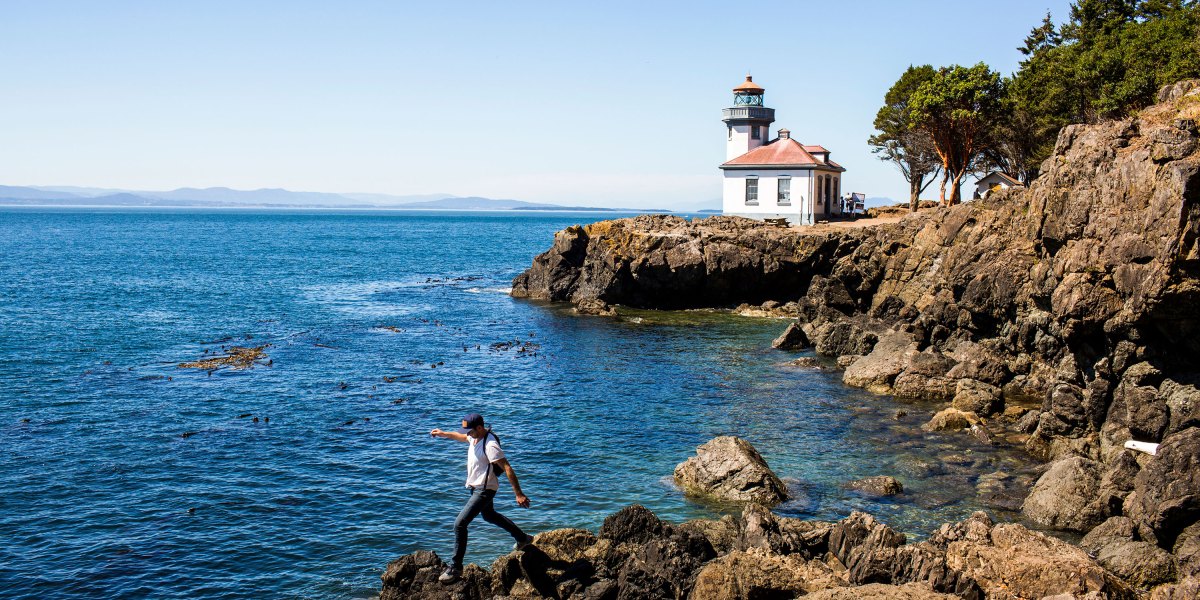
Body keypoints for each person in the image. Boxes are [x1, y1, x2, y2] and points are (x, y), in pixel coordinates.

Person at [429, 412, 533, 583]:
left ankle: (456, 568)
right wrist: (443, 434)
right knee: (489, 516)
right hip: (475, 487)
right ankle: (523, 538)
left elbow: (507, 467)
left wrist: (519, 493)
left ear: (479, 428)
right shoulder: (474, 437)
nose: (468, 434)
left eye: (470, 431)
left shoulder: (490, 444)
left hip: (484, 490)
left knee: (460, 524)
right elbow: (462, 437)